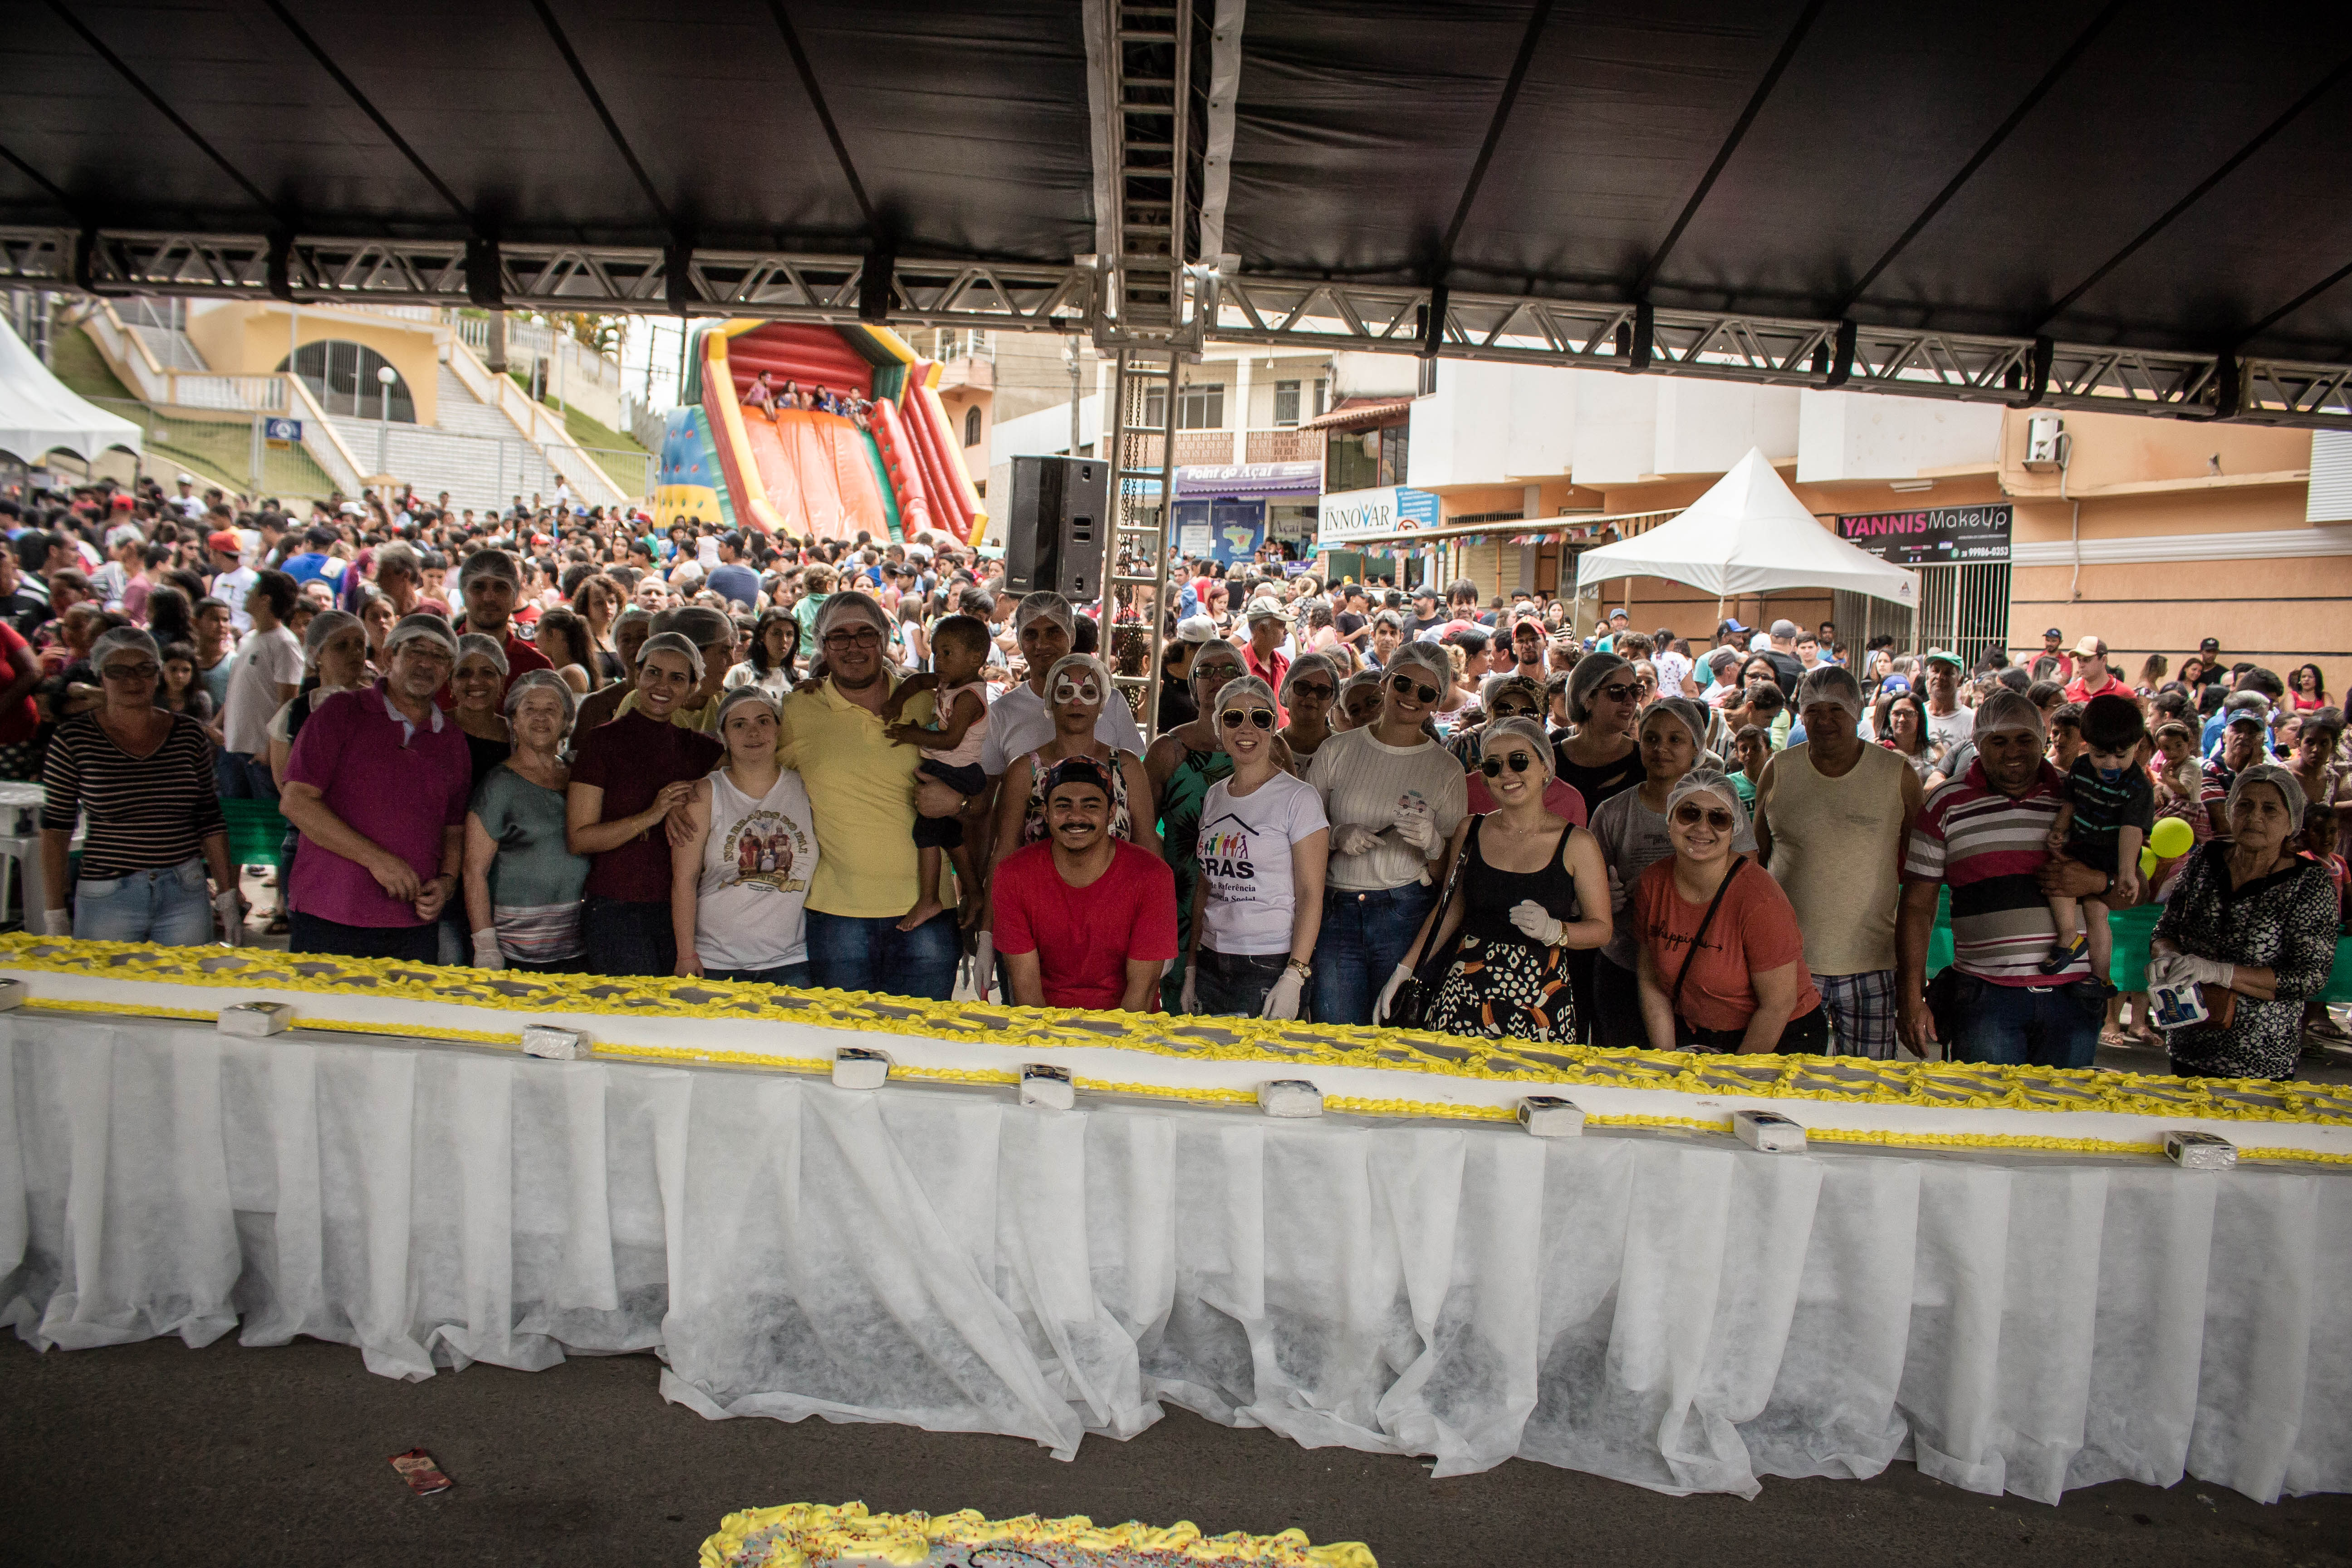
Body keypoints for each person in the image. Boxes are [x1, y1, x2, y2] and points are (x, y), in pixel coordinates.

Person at [1896, 690, 2104, 1068]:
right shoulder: (1945, 803)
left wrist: (2095, 882)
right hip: (1985, 1000)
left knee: (2067, 1120)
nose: (2013, 752)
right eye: (1999, 741)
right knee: (1986, 1118)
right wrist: (1912, 997)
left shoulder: (2077, 795)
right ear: (1978, 745)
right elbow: (1916, 906)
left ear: (2042, 741)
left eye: (2025, 739)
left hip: (2073, 998)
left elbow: (2131, 888)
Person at [779, 591, 968, 999]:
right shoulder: (798, 709)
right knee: (844, 1046)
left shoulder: (932, 702)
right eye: (839, 637)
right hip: (836, 916)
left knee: (922, 1048)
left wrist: (961, 804)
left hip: (928, 909)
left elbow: (986, 788)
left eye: (865, 634)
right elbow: (748, 772)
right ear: (822, 646)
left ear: (885, 639)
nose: (853, 647)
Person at [1383, 716, 1609, 1042]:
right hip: (1465, 991)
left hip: (1541, 998)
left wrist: (1556, 931)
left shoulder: (1578, 843)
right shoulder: (1470, 830)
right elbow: (1451, 909)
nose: (1506, 773)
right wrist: (1406, 969)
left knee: (1532, 1092)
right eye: (1493, 766)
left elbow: (1602, 929)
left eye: (1519, 761)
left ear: (1546, 768)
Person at [278, 614, 471, 960]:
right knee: (323, 1014)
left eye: (440, 655)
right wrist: (378, 861)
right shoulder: (340, 712)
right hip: (330, 912)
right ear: (388, 657)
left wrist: (446, 881)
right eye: (415, 651)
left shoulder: (452, 740)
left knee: (403, 1016)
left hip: (412, 922)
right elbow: (297, 802)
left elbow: (453, 828)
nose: (426, 663)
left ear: (449, 670)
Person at [1753, 666, 1921, 1058]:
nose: (1824, 721)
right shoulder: (1778, 770)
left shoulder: (1896, 775)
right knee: (1783, 1083)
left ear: (1857, 712)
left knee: (1864, 1093)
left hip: (1872, 966)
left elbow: (1920, 879)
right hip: (1786, 966)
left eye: (1836, 710)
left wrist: (1913, 984)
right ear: (1799, 713)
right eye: (1813, 710)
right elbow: (1753, 867)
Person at [39, 627, 236, 944]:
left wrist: (227, 894)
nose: (133, 681)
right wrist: (54, 912)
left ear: (158, 675)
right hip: (107, 893)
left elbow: (209, 817)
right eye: (119, 672)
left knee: (188, 990)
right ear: (100, 676)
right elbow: (56, 828)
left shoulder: (188, 734)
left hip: (185, 890)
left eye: (145, 669)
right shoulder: (73, 739)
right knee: (106, 992)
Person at [1305, 642, 1466, 1024]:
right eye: (1404, 683)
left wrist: (1432, 842)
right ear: (1385, 681)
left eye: (1426, 693)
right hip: (1336, 910)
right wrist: (1335, 835)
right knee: (1336, 1034)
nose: (1412, 697)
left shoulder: (1446, 769)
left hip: (1404, 912)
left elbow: (1449, 875)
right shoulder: (1336, 750)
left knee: (1395, 1035)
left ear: (1438, 702)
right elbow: (1298, 838)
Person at [2150, 764, 2340, 1081]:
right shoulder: (2205, 859)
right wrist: (2166, 956)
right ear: (2231, 809)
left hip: (2260, 1058)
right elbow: (2166, 930)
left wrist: (2220, 972)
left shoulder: (2309, 883)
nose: (2254, 817)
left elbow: (2309, 978)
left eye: (2270, 809)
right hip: (2189, 1042)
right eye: (2245, 805)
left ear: (2292, 822)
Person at [1588, 698, 1759, 1049]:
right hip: (1625, 962)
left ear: (1697, 746)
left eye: (1675, 740)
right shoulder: (1612, 812)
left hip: (1701, 969)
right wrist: (1603, 896)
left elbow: (1747, 878)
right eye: (1651, 739)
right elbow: (1585, 884)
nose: (1661, 749)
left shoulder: (1724, 810)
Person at [1635, 769, 1826, 1052]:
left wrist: (1732, 1078)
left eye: (1718, 818)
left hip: (1781, 1035)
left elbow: (1778, 1005)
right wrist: (1667, 1060)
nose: (1702, 828)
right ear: (1670, 819)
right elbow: (1651, 980)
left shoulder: (1759, 899)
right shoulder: (1653, 884)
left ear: (1735, 829)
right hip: (1701, 1033)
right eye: (1690, 813)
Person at [566, 630, 723, 974]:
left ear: (693, 688)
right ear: (636, 676)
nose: (662, 685)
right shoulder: (603, 742)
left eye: (677, 678)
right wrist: (652, 815)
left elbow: (758, 761)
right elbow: (580, 839)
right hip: (617, 909)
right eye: (653, 673)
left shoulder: (702, 750)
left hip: (685, 912)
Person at [1179, 676, 1328, 1018]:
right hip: (1211, 959)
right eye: (1234, 717)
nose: (1247, 729)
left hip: (1268, 964)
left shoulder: (1299, 798)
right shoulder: (1216, 795)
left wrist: (1294, 974)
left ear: (1274, 726)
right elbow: (1206, 886)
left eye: (1260, 718)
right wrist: (1191, 967)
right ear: (1219, 725)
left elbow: (1310, 894)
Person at [993, 755, 1178, 1011]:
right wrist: (1051, 1047)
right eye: (1063, 805)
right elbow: (1027, 997)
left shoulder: (1153, 876)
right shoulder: (1012, 874)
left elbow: (1141, 995)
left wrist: (1106, 1049)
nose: (1076, 817)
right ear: (1045, 812)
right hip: (1045, 1032)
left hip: (1129, 1034)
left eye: (1091, 806)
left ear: (1112, 813)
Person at [669, 686, 819, 984]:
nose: (753, 732)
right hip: (716, 960)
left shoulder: (807, 786)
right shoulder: (706, 793)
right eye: (739, 724)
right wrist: (686, 953)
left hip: (790, 960)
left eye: (763, 721)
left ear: (778, 729)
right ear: (723, 735)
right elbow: (683, 880)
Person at [1144, 638, 1250, 1005]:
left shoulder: (1270, 749)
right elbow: (1142, 834)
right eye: (1205, 671)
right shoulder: (1168, 750)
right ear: (1193, 684)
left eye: (1228, 670)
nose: (1216, 678)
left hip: (1248, 900)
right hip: (1179, 900)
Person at [463, 671, 590, 972]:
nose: (541, 718)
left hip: (579, 942)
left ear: (566, 722)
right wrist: (485, 947)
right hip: (517, 949)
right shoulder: (499, 785)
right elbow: (473, 871)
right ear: (514, 722)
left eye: (551, 709)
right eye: (529, 709)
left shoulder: (578, 775)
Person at [880, 612, 990, 931]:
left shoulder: (969, 696)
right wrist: (897, 702)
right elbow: (915, 681)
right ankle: (975, 890)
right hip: (946, 767)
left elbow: (951, 739)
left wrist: (911, 735)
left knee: (926, 833)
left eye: (947, 653)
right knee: (949, 835)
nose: (937, 660)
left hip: (960, 772)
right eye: (936, 651)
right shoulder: (949, 681)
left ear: (975, 659)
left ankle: (930, 898)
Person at [991, 653, 1157, 861]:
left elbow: (1148, 846)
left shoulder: (1127, 766)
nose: (1076, 702)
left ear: (1102, 702)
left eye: (1088, 692)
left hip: (1118, 893)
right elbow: (1005, 850)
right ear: (1051, 701)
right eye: (1065, 692)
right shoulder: (1023, 770)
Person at [2039, 693, 2153, 984]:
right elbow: (2072, 802)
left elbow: (2131, 831)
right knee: (2061, 884)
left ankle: (2100, 978)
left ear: (2138, 745)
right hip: (2081, 847)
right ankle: (2070, 937)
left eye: (2122, 755)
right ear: (2086, 744)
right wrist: (2059, 829)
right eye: (2101, 755)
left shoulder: (2138, 786)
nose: (2112, 764)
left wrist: (2127, 872)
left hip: (2112, 858)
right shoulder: (2081, 768)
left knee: (2096, 912)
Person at [217, 568, 304, 799]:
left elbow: (288, 703)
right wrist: (218, 724)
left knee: (265, 823)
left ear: (265, 599)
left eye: (253, 590)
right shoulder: (248, 639)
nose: (247, 594)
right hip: (233, 747)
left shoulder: (285, 644)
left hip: (260, 753)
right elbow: (237, 689)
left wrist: (271, 750)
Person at [441, 547, 550, 706]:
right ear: (464, 595)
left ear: (515, 597)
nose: (489, 598)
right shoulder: (439, 660)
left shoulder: (537, 668)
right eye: (478, 587)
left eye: (500, 588)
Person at [1553, 652, 1643, 813]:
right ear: (1587, 699)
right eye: (1617, 691)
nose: (1630, 701)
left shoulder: (1645, 760)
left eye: (1635, 691)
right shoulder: (1551, 760)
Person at [449, 634, 514, 787]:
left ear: (502, 681)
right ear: (450, 684)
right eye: (464, 673)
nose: (475, 681)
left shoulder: (517, 736)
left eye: (487, 673)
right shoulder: (433, 730)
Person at [1276, 652, 1339, 769]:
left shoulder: (1344, 749)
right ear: (1286, 690)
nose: (1311, 696)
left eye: (1322, 691)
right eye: (1303, 687)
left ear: (1333, 699)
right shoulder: (1269, 747)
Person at [725, 608, 799, 700]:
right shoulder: (740, 672)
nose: (784, 640)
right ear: (762, 636)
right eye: (777, 633)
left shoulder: (802, 677)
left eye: (789, 634)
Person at [1921, 650, 1973, 767]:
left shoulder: (1970, 720)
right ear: (1928, 677)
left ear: (1960, 681)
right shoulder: (1917, 713)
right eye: (1936, 671)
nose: (1940, 677)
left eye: (1948, 673)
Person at [2062, 636, 2133, 704]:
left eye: (2087, 660)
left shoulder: (2125, 693)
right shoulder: (2067, 692)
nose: (2081, 665)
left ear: (2104, 660)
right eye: (2079, 660)